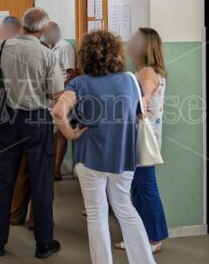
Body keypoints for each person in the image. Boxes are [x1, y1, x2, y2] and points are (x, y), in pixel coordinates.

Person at [52, 30, 156, 264]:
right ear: (116, 54)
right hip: (123, 158)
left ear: (86, 55)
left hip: (90, 158)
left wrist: (71, 133)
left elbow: (59, 111)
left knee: (97, 215)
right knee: (126, 209)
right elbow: (141, 115)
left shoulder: (79, 83)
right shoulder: (131, 80)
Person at [0, 7, 63, 259]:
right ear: (43, 29)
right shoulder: (47, 54)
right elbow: (55, 94)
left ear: (22, 25)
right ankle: (44, 243)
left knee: (2, 182)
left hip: (5, 120)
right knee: (41, 183)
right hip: (38, 121)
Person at [114, 27, 168, 253]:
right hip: (146, 136)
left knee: (145, 187)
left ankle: (154, 238)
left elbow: (140, 105)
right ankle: (142, 235)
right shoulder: (154, 71)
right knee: (138, 187)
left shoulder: (146, 73)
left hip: (141, 138)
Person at [42, 21, 76, 181]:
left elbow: (70, 73)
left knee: (62, 133)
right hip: (51, 95)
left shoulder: (64, 47)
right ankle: (51, 167)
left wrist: (60, 95)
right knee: (53, 132)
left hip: (61, 95)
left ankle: (56, 169)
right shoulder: (50, 47)